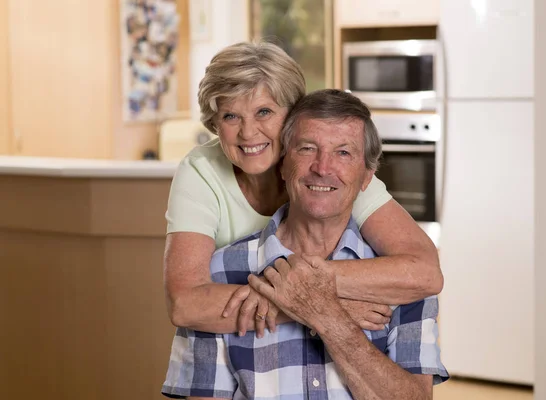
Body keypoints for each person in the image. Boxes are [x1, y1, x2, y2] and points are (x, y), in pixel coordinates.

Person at [162, 89, 448, 399]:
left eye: (343, 153)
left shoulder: (401, 283)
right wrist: (305, 304)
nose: (323, 168)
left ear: (367, 178)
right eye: (307, 148)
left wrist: (324, 311)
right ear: (282, 166)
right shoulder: (219, 276)